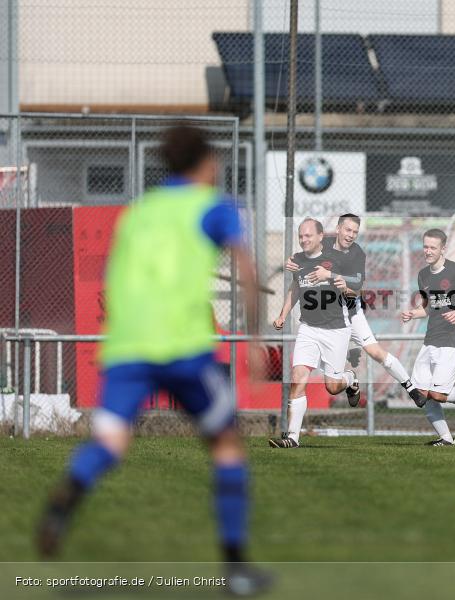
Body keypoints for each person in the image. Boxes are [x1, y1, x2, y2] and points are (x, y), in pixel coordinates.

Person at [36, 125, 271, 595]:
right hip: (182, 346)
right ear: (205, 164)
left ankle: (64, 504)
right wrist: (253, 339)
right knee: (226, 446)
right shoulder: (212, 207)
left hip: (126, 347)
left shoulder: (139, 213)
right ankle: (236, 569)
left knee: (111, 444)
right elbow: (246, 270)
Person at [287, 214, 424, 408]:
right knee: (331, 386)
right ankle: (350, 379)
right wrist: (291, 261)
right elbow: (301, 257)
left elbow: (357, 283)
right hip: (327, 320)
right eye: (347, 230)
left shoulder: (356, 253)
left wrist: (331, 275)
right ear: (338, 229)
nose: (351, 235)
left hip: (351, 312)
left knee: (375, 352)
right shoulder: (322, 243)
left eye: (355, 232)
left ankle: (410, 387)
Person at [269, 218, 358, 448]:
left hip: (336, 329)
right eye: (301, 236)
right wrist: (282, 315)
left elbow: (355, 289)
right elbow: (295, 287)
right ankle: (292, 437)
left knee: (332, 386)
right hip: (308, 328)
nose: (303, 239)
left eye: (308, 235)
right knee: (298, 377)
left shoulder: (337, 259)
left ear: (320, 237)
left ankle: (350, 379)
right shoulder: (297, 261)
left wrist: (332, 278)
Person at [401, 229, 455, 446]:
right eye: (425, 246)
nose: (428, 251)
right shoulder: (423, 275)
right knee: (421, 394)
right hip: (431, 338)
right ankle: (446, 438)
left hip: (453, 338)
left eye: (433, 247)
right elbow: (430, 309)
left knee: (439, 394)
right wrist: (414, 314)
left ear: (443, 249)